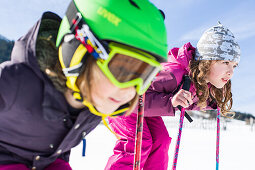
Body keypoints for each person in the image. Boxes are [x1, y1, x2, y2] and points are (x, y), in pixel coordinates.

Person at [0, 0, 168, 169]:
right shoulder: (16, 82)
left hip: (48, 160)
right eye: (122, 71)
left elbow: (58, 136)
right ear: (78, 49)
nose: (130, 91)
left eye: (145, 76)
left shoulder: (96, 103)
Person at [105, 22, 240, 170]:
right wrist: (170, 103)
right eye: (225, 62)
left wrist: (211, 103)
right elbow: (133, 95)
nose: (230, 71)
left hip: (144, 109)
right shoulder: (173, 74)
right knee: (139, 141)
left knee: (161, 141)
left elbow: (192, 102)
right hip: (119, 98)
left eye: (234, 65)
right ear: (206, 61)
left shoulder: (201, 84)